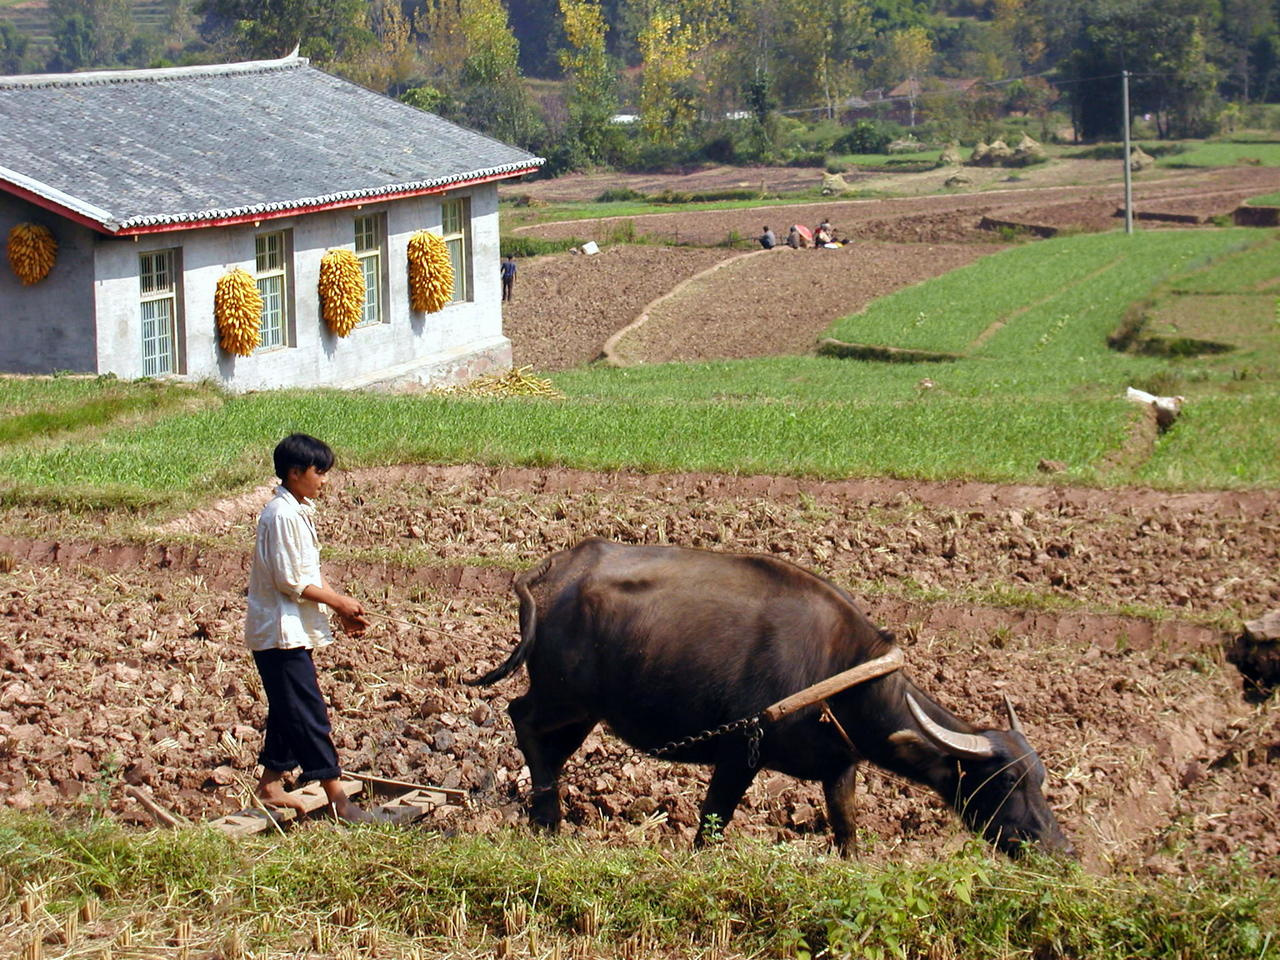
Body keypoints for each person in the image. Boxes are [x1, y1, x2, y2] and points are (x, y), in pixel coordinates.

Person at [245, 433, 379, 823]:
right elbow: (291, 581)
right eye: (319, 473)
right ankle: (338, 799)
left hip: (288, 630)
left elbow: (301, 576)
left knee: (290, 710)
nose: (324, 480)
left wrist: (338, 607)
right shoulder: (282, 515)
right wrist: (337, 601)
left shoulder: (294, 510)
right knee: (309, 712)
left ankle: (270, 785)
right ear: (295, 472)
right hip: (278, 634)